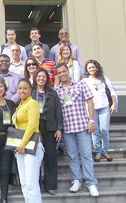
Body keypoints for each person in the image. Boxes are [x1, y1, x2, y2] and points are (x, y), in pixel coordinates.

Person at [55, 63, 99, 197]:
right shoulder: (57, 91)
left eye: (64, 71)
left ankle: (91, 183)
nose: (62, 74)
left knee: (86, 156)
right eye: (59, 73)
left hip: (82, 126)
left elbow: (90, 102)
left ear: (68, 71)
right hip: (67, 130)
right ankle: (77, 180)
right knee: (72, 156)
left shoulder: (80, 84)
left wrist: (91, 121)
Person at [31, 68, 63, 195]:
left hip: (49, 126)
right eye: (39, 76)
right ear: (35, 78)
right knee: (34, 157)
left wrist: (59, 128)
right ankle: (36, 184)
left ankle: (50, 185)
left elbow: (58, 111)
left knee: (50, 156)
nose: (41, 78)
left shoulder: (52, 93)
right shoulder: (30, 92)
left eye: (44, 76)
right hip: (34, 128)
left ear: (47, 78)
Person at [14, 78, 44, 203]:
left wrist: (21, 145)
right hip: (21, 148)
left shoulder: (32, 103)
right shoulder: (20, 105)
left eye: (25, 88)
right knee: (25, 184)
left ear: (30, 90)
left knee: (32, 184)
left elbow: (32, 126)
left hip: (31, 146)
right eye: (20, 88)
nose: (22, 91)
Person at [83, 60, 116, 162]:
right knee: (95, 131)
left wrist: (114, 103)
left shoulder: (103, 79)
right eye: (89, 68)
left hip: (104, 106)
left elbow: (112, 90)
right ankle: (97, 151)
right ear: (87, 70)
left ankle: (105, 151)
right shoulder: (85, 81)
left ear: (97, 68)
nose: (92, 69)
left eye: (93, 67)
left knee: (105, 130)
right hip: (92, 108)